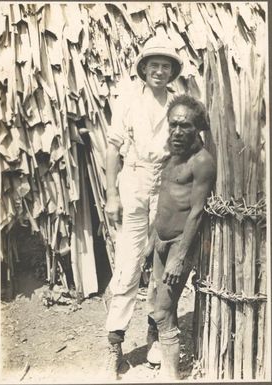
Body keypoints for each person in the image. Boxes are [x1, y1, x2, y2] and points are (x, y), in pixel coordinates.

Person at [104, 35, 183, 379]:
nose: (160, 72)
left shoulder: (178, 104)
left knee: (160, 263)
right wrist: (111, 195)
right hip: (133, 181)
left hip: (164, 186)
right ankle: (114, 343)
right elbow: (112, 149)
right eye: (155, 66)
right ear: (144, 69)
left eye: (166, 67)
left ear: (171, 72)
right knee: (128, 263)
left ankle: (154, 334)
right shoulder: (128, 101)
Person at [142, 94, 216, 380]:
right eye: (173, 125)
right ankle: (168, 370)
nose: (176, 132)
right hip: (161, 240)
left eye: (184, 126)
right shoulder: (172, 155)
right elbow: (163, 201)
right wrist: (151, 241)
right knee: (164, 309)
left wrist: (180, 257)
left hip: (179, 246)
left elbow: (196, 212)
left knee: (161, 310)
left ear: (197, 127)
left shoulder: (202, 162)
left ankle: (170, 375)